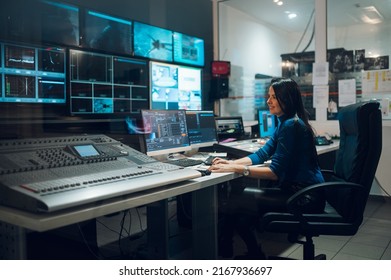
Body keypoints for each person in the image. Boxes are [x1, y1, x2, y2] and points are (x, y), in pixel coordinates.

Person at [208, 78, 325, 259]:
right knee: (240, 206)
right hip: (302, 191)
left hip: (305, 197)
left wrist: (240, 170)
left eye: (273, 97)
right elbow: (262, 154)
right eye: (268, 96)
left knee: (238, 202)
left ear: (286, 99)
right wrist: (230, 164)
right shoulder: (286, 122)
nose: (268, 101)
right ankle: (248, 252)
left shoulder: (291, 126)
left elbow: (274, 172)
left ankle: (240, 253)